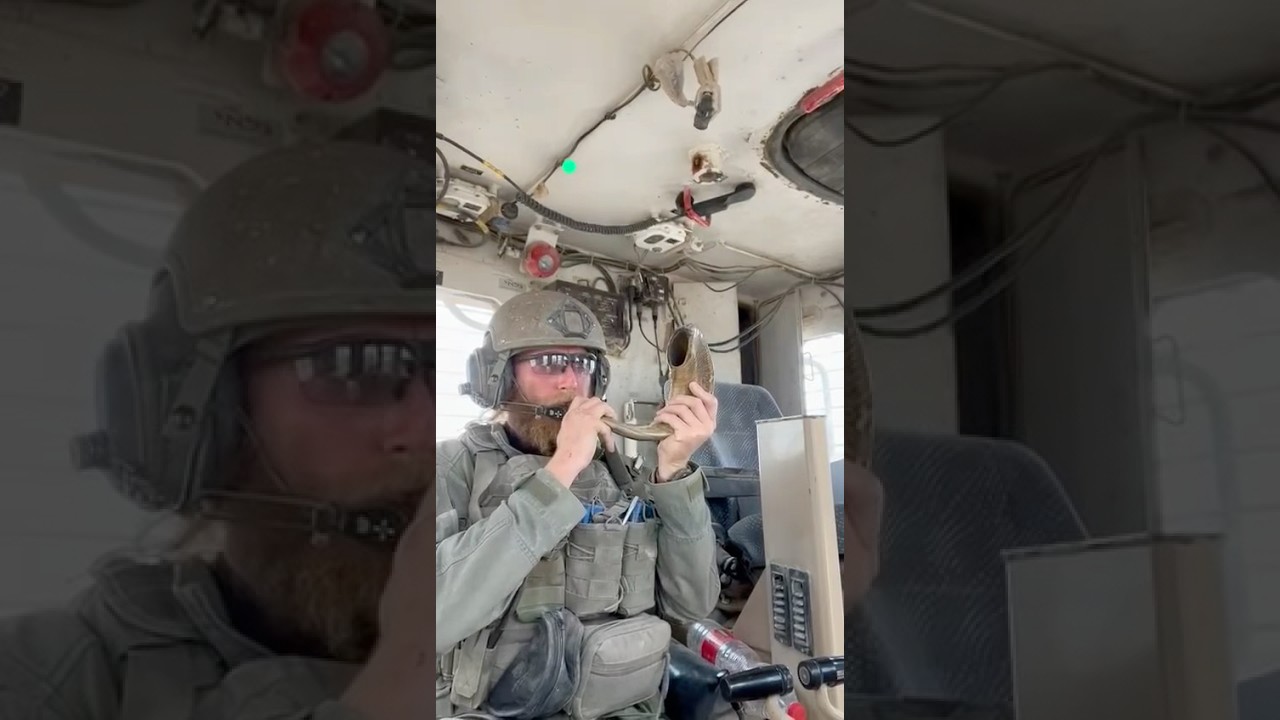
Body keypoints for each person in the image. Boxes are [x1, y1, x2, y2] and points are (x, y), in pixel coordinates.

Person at [0, 142, 444, 719]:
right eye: (355, 369)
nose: (424, 429)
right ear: (208, 417)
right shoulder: (52, 682)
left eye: (439, 370)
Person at [435, 290, 722, 719]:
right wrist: (562, 470)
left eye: (583, 365)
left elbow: (691, 608)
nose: (570, 381)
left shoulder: (619, 474)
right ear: (496, 376)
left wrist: (673, 472)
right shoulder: (450, 467)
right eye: (549, 363)